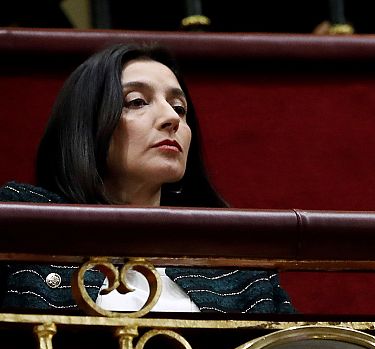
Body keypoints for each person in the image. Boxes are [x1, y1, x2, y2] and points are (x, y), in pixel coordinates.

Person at [0, 42, 293, 314]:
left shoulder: (238, 264)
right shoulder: (22, 222)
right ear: (84, 123)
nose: (172, 118)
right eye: (137, 101)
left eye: (180, 108)